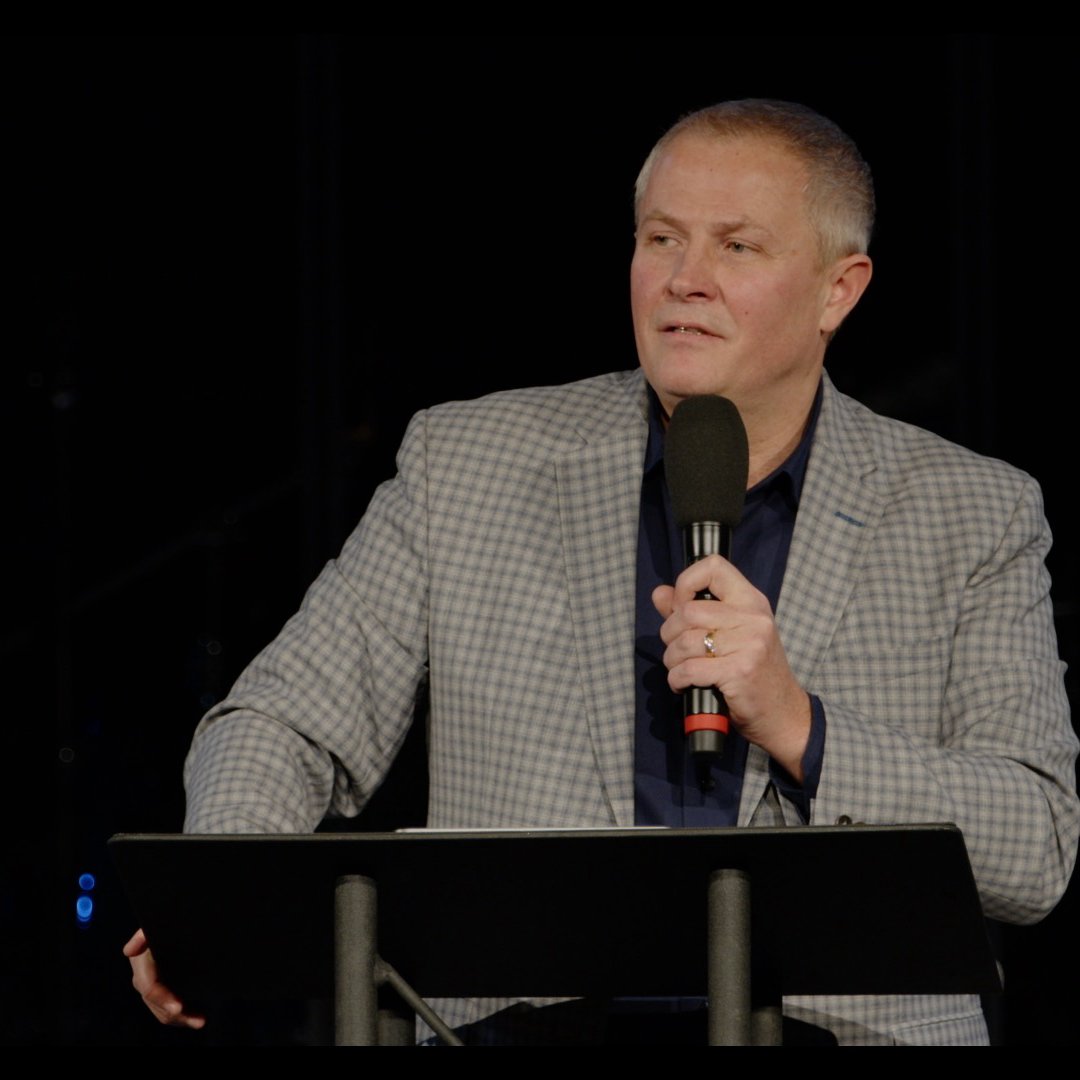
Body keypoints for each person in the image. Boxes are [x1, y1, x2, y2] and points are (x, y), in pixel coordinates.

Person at [127, 99, 1079, 1045]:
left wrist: (799, 724)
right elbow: (281, 721)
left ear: (839, 289)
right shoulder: (470, 464)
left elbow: (1033, 846)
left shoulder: (971, 512)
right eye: (661, 239)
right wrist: (217, 895)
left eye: (737, 247)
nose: (685, 280)